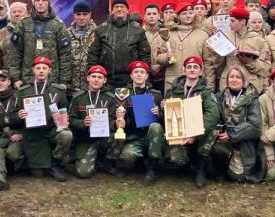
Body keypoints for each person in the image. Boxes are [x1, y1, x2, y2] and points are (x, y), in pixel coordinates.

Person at [164, 56, 220, 188]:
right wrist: (163, 109)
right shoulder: (172, 92)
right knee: (176, 158)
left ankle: (200, 170)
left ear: (201, 72)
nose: (192, 69)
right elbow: (165, 117)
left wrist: (195, 134)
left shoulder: (206, 93)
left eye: (196, 67)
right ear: (184, 70)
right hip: (180, 134)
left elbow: (213, 115)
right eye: (189, 67)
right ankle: (186, 164)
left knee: (212, 131)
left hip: (199, 135)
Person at [15, 56, 72, 180]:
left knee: (66, 135)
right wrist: (19, 115)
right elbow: (14, 113)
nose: (41, 71)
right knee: (38, 174)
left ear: (49, 70)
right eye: (38, 68)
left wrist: (63, 122)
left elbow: (63, 108)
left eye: (44, 68)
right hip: (33, 132)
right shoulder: (23, 91)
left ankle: (55, 163)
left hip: (52, 130)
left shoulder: (58, 90)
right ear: (33, 70)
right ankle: (33, 161)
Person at [111, 61, 164, 183]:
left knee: (155, 126)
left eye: (142, 72)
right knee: (127, 156)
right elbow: (120, 119)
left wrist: (159, 113)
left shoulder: (156, 95)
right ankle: (140, 160)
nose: (139, 74)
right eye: (135, 72)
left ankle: (152, 169)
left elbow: (164, 120)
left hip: (153, 136)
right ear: (131, 76)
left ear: (147, 76)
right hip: (134, 136)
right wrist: (122, 117)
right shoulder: (123, 95)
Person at [10, 0, 72, 90]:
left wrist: (64, 81)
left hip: (52, 80)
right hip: (28, 80)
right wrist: (15, 78)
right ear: (34, 3)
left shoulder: (58, 25)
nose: (40, 3)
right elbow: (15, 53)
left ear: (49, 3)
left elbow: (65, 55)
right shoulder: (23, 24)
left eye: (44, 0)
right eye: (37, 0)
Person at [211, 65, 262, 183]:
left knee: (237, 178)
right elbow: (214, 118)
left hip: (243, 143)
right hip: (223, 141)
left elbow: (255, 126)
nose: (234, 80)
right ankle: (220, 171)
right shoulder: (219, 97)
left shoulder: (252, 99)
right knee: (216, 149)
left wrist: (231, 134)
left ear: (244, 80)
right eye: (231, 77)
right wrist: (217, 131)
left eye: (238, 77)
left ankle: (233, 165)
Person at [88, 0, 151, 89]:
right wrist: (94, 74)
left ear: (128, 10)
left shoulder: (137, 29)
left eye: (122, 7)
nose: (119, 9)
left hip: (131, 79)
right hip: (107, 80)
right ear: (112, 11)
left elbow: (145, 55)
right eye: (116, 7)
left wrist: (145, 77)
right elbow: (93, 54)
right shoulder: (101, 29)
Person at [68, 65, 118, 178]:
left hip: (104, 138)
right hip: (85, 139)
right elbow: (71, 120)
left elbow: (113, 119)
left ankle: (108, 161)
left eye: (100, 77)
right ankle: (93, 161)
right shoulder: (78, 98)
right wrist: (82, 123)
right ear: (88, 78)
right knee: (83, 173)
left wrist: (114, 124)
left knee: (118, 136)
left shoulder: (110, 98)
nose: (96, 80)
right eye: (93, 76)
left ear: (104, 80)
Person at [213, 8, 269, 93]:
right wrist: (216, 52)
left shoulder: (258, 40)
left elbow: (266, 68)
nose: (229, 24)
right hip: (228, 85)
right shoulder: (226, 37)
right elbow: (218, 65)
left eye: (232, 21)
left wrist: (250, 62)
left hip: (250, 87)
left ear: (243, 21)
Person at [159, 3, 212, 87]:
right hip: (173, 82)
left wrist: (209, 86)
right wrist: (166, 57)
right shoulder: (168, 34)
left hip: (196, 83)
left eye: (190, 13)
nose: (188, 16)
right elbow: (158, 57)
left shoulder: (202, 35)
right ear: (177, 16)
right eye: (184, 14)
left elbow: (208, 63)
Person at [68, 1, 97, 93]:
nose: (81, 17)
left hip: (92, 86)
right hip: (71, 87)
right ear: (74, 15)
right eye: (78, 14)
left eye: (85, 14)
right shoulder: (66, 34)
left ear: (90, 15)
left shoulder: (98, 33)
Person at [142, 4, 168, 92]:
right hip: (145, 77)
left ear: (159, 16)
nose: (151, 16)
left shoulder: (167, 31)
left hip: (164, 76)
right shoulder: (139, 32)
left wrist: (160, 66)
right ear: (144, 16)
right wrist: (148, 67)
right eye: (149, 14)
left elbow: (172, 53)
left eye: (154, 13)